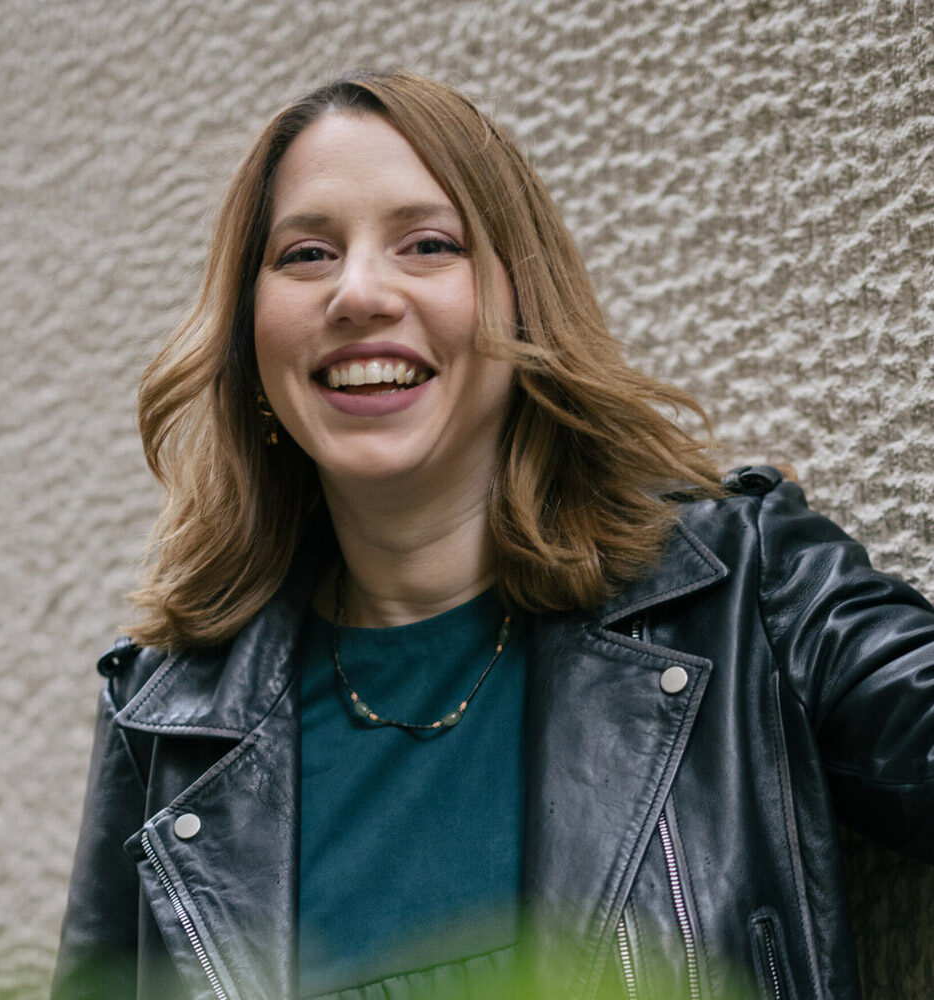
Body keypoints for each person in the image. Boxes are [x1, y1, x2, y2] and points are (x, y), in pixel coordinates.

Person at [51, 71, 934, 1000]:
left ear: (522, 300)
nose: (358, 293)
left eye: (429, 245)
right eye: (306, 254)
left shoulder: (742, 587)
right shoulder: (168, 718)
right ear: (248, 331)